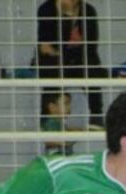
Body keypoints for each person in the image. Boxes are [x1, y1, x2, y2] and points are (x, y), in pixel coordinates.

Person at [35, 0, 110, 128]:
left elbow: (90, 47)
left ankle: (96, 116)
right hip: (55, 61)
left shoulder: (88, 11)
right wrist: (66, 18)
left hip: (80, 59)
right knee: (52, 71)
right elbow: (46, 47)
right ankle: (46, 119)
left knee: (91, 69)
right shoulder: (47, 9)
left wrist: (66, 51)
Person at [40, 89, 79, 156]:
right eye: (66, 104)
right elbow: (50, 139)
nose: (69, 107)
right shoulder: (51, 123)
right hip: (55, 156)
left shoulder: (58, 122)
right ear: (52, 107)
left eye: (69, 104)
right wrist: (68, 141)